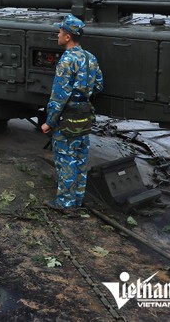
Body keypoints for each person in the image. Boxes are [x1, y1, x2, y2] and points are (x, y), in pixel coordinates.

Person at [41, 14, 103, 211]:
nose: (58, 35)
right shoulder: (90, 57)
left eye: (60, 32)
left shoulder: (66, 61)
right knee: (80, 158)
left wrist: (49, 121)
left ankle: (65, 204)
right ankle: (77, 198)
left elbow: (58, 97)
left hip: (67, 118)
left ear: (67, 36)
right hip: (84, 114)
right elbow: (99, 85)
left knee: (65, 159)